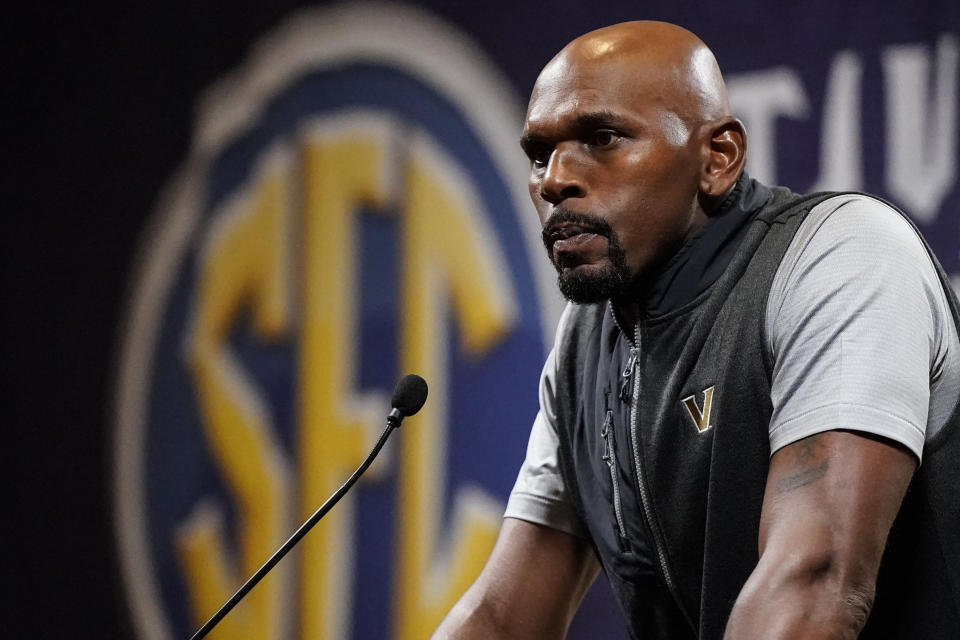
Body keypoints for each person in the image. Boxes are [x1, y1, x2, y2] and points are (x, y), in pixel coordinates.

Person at [433, 20, 960, 640]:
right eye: (539, 154)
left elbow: (813, 583)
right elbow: (501, 617)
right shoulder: (586, 341)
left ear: (718, 158)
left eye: (602, 138)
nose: (553, 180)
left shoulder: (842, 255)